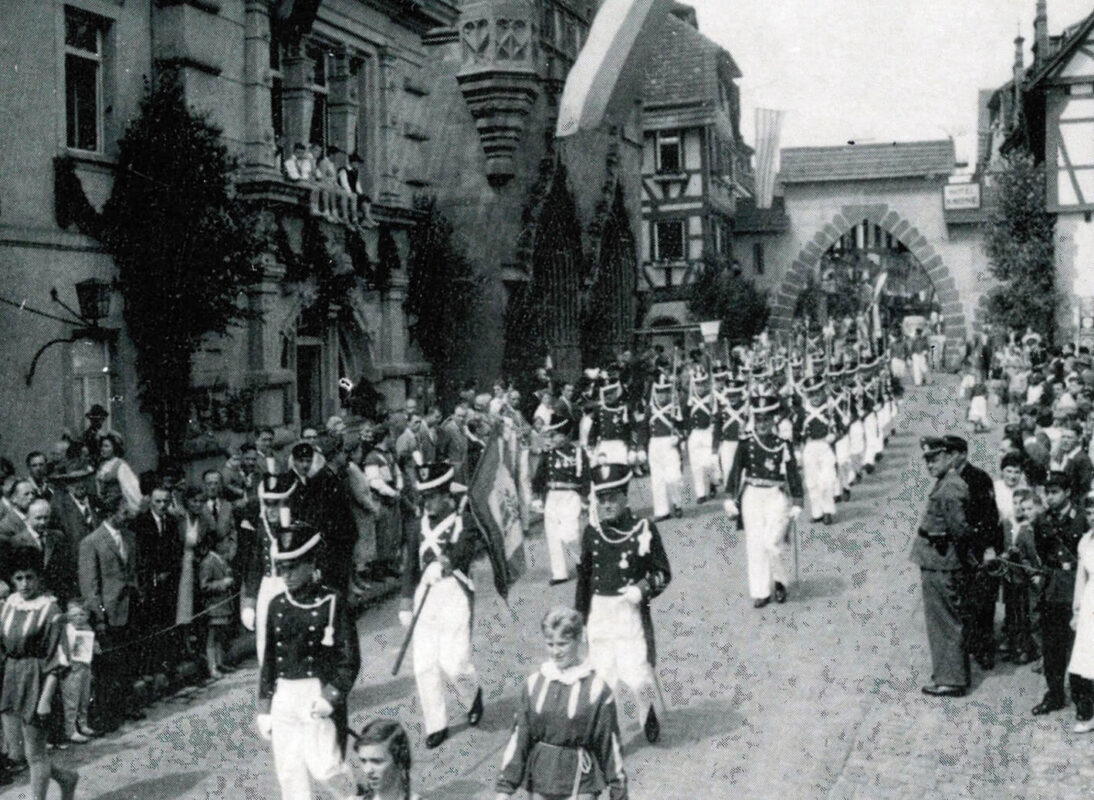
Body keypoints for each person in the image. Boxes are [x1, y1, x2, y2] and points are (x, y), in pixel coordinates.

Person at [256, 521, 360, 800]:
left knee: (326, 768)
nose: (285, 575)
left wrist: (331, 696)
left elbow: (348, 659)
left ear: (310, 563)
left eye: (292, 567)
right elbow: (270, 661)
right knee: (289, 772)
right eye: (281, 568)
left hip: (316, 695)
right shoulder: (277, 604)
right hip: (284, 696)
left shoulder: (332, 601)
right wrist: (264, 706)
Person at [575, 463, 670, 744]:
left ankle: (648, 710)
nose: (606, 505)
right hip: (600, 613)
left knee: (639, 675)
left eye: (612, 498)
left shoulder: (644, 528)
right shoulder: (592, 533)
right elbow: (584, 579)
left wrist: (642, 590)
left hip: (629, 611)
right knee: (603, 678)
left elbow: (663, 572)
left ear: (625, 498)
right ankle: (608, 732)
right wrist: (580, 617)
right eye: (601, 499)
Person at [495, 607, 627, 800]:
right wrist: (504, 789)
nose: (555, 652)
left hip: (581, 782)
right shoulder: (534, 685)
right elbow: (519, 738)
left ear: (578, 640)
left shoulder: (597, 689)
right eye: (550, 644)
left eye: (563, 644)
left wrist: (619, 793)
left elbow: (610, 745)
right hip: (541, 780)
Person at [399, 463, 483, 749]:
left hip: (454, 593)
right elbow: (410, 565)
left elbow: (463, 552)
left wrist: (444, 563)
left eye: (434, 496)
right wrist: (405, 601)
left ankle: (472, 695)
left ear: (448, 496)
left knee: (455, 663)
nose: (429, 503)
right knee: (424, 665)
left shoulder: (465, 521)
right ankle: (436, 723)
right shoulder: (416, 526)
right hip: (426, 593)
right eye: (425, 498)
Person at [0, 546, 78, 800]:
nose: (24, 584)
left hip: (38, 679)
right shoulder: (9, 605)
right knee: (17, 753)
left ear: (39, 578)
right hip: (11, 677)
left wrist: (45, 699)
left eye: (29, 577)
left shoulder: (50, 611)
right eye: (19, 578)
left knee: (35, 753)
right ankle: (66, 777)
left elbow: (57, 657)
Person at [723, 395, 804, 608]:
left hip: (775, 496)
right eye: (759, 420)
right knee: (755, 544)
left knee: (772, 542)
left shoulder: (782, 445)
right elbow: (735, 471)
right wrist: (729, 498)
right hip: (752, 495)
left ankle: (779, 580)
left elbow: (793, 474)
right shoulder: (746, 443)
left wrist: (797, 501)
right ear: (754, 420)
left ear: (774, 420)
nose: (762, 424)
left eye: (766, 420)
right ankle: (760, 591)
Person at [911, 437, 971, 698]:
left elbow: (958, 529)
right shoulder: (948, 483)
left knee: (943, 621)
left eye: (934, 459)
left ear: (949, 457)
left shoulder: (950, 488)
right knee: (944, 618)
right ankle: (951, 674)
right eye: (927, 460)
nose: (930, 465)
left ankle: (951, 679)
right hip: (937, 558)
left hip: (941, 560)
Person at [77, 493, 143, 731]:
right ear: (110, 513)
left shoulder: (130, 537)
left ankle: (127, 705)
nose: (127, 518)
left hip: (130, 607)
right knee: (108, 666)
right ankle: (106, 715)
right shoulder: (91, 542)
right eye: (124, 513)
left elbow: (133, 571)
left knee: (129, 660)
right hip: (108, 612)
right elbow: (90, 585)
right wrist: (100, 616)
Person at [1031, 471, 1086, 716]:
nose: (1049, 498)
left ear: (1068, 493)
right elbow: (1043, 555)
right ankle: (1054, 694)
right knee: (1053, 645)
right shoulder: (1042, 520)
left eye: (1054, 492)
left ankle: (1082, 697)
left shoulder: (1082, 519)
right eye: (1046, 492)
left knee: (1079, 646)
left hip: (1077, 588)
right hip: (1053, 588)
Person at [531, 420, 588, 585]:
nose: (551, 438)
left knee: (570, 534)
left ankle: (581, 562)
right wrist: (536, 497)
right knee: (553, 535)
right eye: (550, 435)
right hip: (552, 497)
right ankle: (559, 573)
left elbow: (586, 475)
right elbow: (539, 477)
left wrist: (585, 497)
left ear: (565, 436)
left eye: (554, 435)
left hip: (571, 496)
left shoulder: (577, 452)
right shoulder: (548, 454)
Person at [1068, 493, 1094, 733]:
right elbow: (1080, 580)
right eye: (1089, 512)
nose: (1092, 516)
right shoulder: (1085, 541)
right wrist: (1076, 611)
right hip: (1089, 606)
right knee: (1085, 661)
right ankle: (1087, 713)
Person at [643, 374, 684, 522]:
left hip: (669, 445)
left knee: (674, 477)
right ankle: (662, 511)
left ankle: (677, 504)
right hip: (654, 445)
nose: (662, 396)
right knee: (657, 480)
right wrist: (642, 448)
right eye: (659, 392)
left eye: (665, 392)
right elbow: (644, 430)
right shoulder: (649, 409)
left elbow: (683, 428)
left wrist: (678, 438)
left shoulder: (674, 408)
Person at [198, 532, 235, 679]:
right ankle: (212, 667)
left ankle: (219, 663)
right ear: (218, 544)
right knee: (212, 638)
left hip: (223, 606)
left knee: (220, 635)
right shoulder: (208, 562)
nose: (228, 545)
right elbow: (204, 586)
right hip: (213, 607)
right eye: (226, 542)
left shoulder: (221, 560)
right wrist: (222, 584)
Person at [60, 598, 97, 744]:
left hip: (85, 667)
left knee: (84, 697)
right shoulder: (66, 630)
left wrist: (95, 647)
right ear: (68, 615)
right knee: (71, 700)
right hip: (72, 669)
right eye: (74, 615)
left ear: (87, 615)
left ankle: (83, 724)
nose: (78, 618)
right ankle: (71, 730)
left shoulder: (88, 628)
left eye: (82, 614)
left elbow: (90, 647)